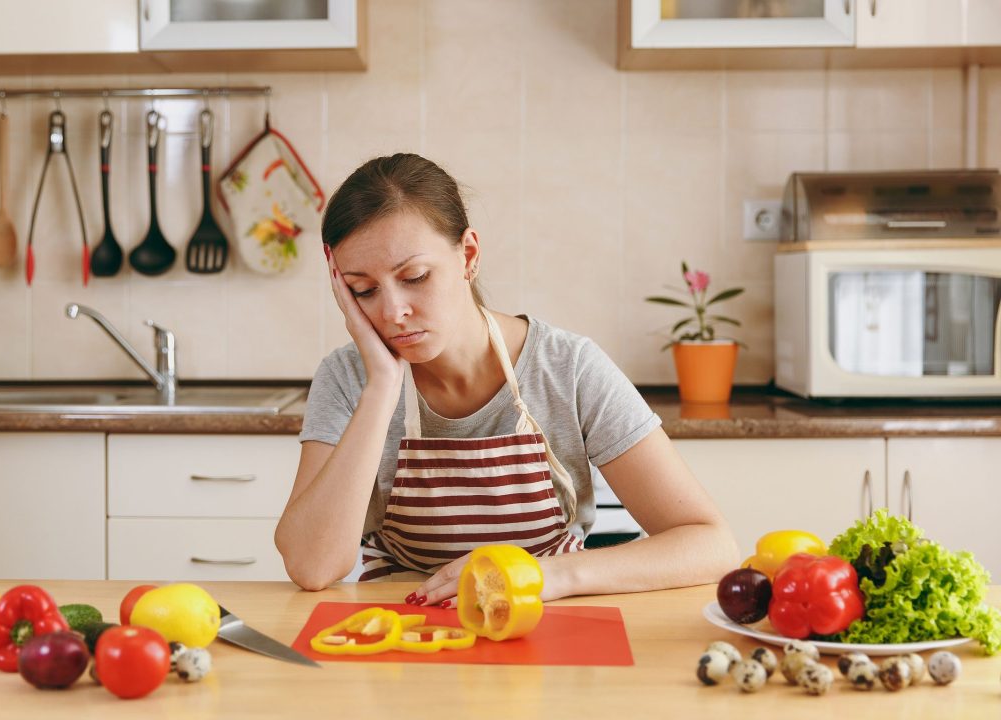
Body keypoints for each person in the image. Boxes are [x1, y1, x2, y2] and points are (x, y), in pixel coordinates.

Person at [274, 153, 739, 607]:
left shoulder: (567, 367)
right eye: (363, 290)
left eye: (414, 276)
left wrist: (546, 575)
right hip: (405, 628)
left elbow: (710, 545)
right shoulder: (347, 377)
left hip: (544, 621)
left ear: (468, 255)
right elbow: (312, 567)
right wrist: (380, 388)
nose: (393, 313)